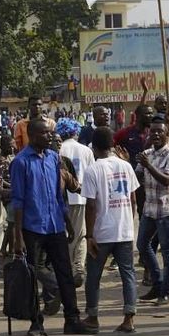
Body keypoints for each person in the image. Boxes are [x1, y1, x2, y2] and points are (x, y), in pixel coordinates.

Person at [11, 119, 95, 336]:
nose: (50, 137)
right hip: (32, 227)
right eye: (45, 133)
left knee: (65, 272)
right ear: (32, 134)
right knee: (32, 276)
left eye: (51, 133)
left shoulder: (53, 159)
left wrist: (67, 220)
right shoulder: (20, 162)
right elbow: (18, 202)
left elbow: (59, 195)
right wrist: (18, 237)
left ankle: (72, 319)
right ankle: (36, 322)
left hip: (56, 224)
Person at [81, 126, 139, 334]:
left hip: (102, 232)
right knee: (128, 274)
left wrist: (89, 235)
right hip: (124, 230)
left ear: (94, 148)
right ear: (113, 145)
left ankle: (93, 316)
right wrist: (128, 222)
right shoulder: (126, 166)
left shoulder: (92, 170)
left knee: (94, 275)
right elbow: (132, 200)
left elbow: (91, 205)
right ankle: (129, 317)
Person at [135, 118, 169, 306]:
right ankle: (157, 282)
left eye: (159, 131)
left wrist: (148, 166)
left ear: (166, 134)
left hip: (166, 209)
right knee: (142, 245)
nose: (155, 134)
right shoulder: (146, 154)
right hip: (149, 208)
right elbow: (137, 174)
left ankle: (166, 291)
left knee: (167, 250)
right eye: (152, 131)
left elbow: (167, 180)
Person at [57, 119, 95, 287]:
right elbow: (91, 173)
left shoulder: (58, 149)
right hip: (80, 197)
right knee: (80, 235)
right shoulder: (86, 150)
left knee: (64, 235)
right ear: (75, 131)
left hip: (62, 199)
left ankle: (67, 267)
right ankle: (78, 267)